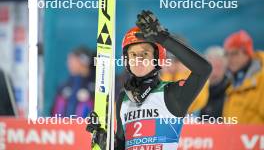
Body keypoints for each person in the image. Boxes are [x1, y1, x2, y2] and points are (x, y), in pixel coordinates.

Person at [87, 10, 212, 149]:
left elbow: (203, 70)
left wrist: (164, 39)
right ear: (126, 61)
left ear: (158, 58)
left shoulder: (171, 94)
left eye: (145, 53)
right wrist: (106, 142)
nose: (138, 59)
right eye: (133, 54)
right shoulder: (123, 99)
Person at [223, 30, 264, 124]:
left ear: (247, 53)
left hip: (255, 138)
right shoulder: (232, 83)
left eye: (235, 53)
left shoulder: (261, 81)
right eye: (227, 54)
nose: (230, 59)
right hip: (233, 137)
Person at [51, 46, 95, 118]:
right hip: (63, 128)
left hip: (85, 128)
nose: (69, 64)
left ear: (84, 61)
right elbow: (55, 113)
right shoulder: (64, 86)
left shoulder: (96, 86)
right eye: (69, 61)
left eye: (72, 61)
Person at [200, 46, 230, 119]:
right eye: (212, 67)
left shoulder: (232, 92)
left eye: (218, 67)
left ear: (225, 67)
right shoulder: (197, 90)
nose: (214, 73)